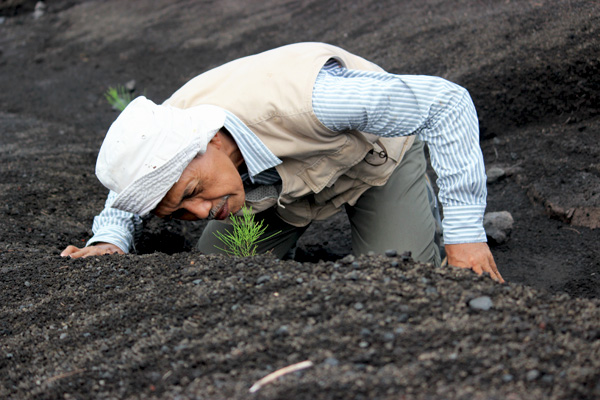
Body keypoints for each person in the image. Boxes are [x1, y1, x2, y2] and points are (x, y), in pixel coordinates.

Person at [61, 42, 504, 282]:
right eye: (177, 211)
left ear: (211, 140)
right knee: (220, 277)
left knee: (400, 282)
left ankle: (426, 213)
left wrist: (466, 234)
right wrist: (111, 240)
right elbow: (126, 188)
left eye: (193, 193)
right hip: (274, 191)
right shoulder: (165, 132)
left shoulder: (313, 99)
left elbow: (446, 103)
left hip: (373, 161)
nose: (197, 213)